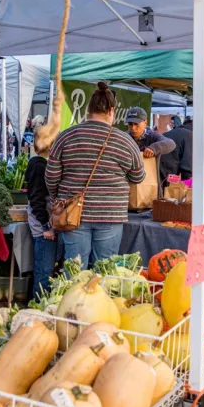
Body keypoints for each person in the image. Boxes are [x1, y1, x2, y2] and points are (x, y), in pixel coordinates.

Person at [46, 82, 145, 268]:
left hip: (73, 213)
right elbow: (138, 176)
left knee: (74, 270)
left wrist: (58, 198)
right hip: (111, 213)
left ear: (88, 109)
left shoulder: (66, 136)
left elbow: (51, 176)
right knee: (104, 271)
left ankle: (72, 298)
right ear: (111, 110)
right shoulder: (125, 141)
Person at [26, 131, 57, 296]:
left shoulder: (41, 164)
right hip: (43, 228)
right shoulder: (39, 166)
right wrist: (45, 225)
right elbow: (36, 198)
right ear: (51, 145)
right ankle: (38, 308)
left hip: (45, 225)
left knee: (45, 269)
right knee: (44, 272)